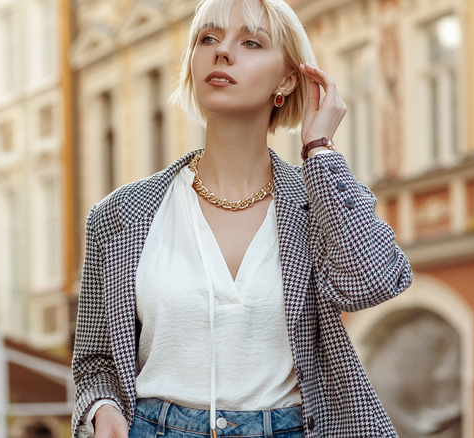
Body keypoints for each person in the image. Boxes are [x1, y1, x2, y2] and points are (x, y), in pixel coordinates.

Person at [71, 0, 413, 436]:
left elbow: (374, 281)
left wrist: (319, 150)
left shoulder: (320, 201)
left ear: (288, 79)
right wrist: (103, 409)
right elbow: (95, 360)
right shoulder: (120, 215)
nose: (222, 52)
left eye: (250, 42)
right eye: (207, 39)